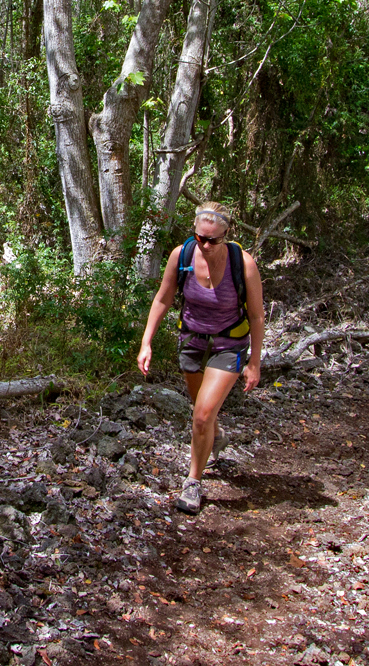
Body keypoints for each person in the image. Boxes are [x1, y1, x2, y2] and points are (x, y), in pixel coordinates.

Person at [136, 203, 264, 514]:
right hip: (192, 342)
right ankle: (216, 437)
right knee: (202, 412)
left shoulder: (243, 263)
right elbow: (164, 297)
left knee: (203, 415)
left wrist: (254, 362)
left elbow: (257, 316)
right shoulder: (181, 255)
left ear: (226, 236)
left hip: (229, 345)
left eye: (212, 240)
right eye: (199, 237)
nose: (204, 245)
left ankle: (193, 482)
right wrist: (146, 342)